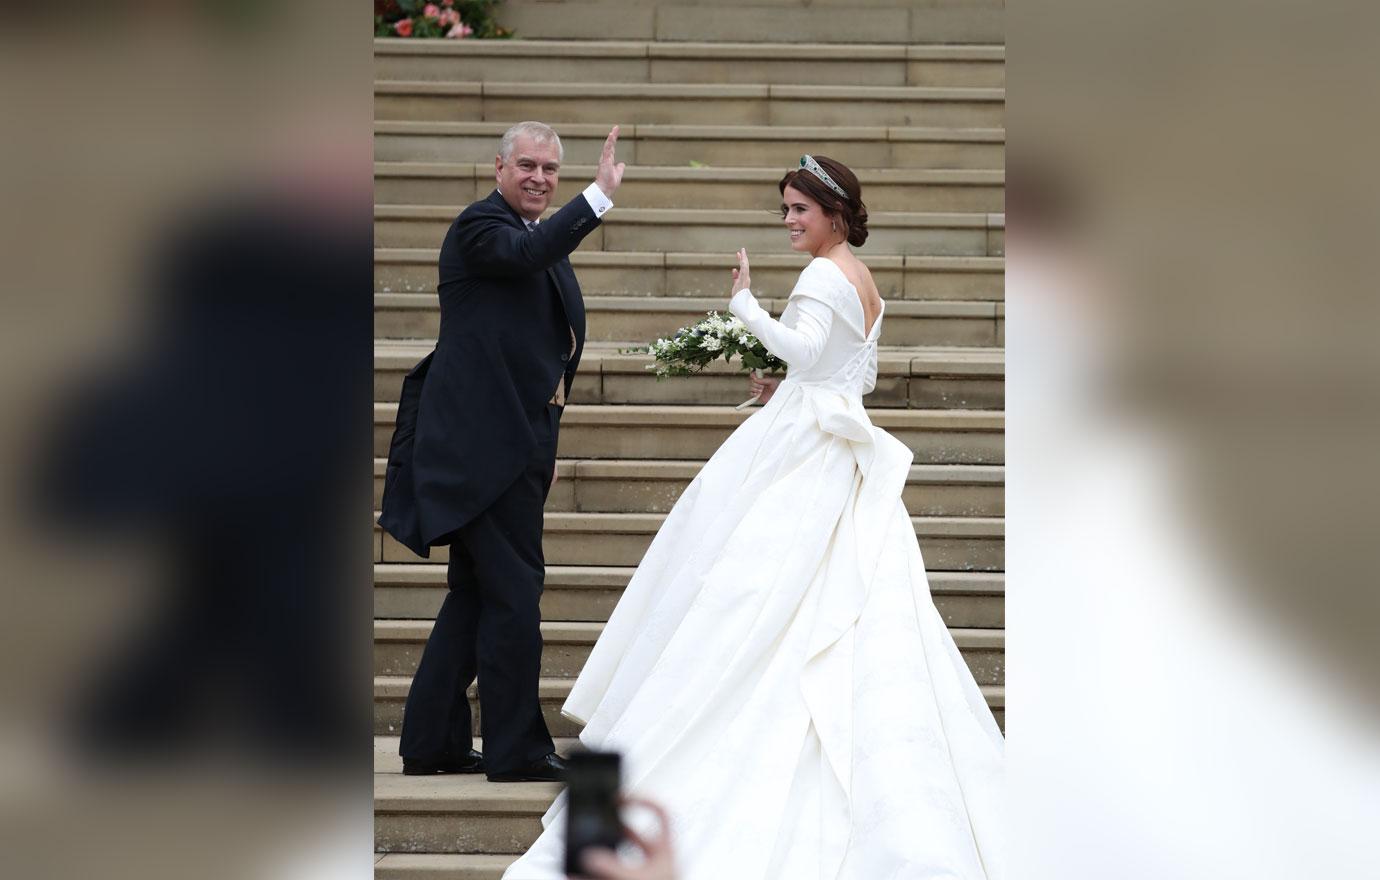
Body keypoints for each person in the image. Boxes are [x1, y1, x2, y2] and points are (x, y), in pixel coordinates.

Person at [502, 154, 1004, 879]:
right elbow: (844, 370)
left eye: (800, 209)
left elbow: (803, 351)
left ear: (835, 212)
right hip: (832, 446)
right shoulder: (862, 279)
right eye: (785, 210)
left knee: (738, 602)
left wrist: (745, 306)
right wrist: (786, 372)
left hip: (803, 454)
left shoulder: (822, 274)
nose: (790, 221)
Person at [378, 121, 626, 782]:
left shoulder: (528, 235)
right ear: (498, 166)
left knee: (477, 597)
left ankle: (430, 742)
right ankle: (516, 751)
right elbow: (526, 256)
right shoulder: (480, 228)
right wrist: (596, 197)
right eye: (527, 165)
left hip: (517, 442)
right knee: (515, 595)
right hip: (478, 451)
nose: (540, 178)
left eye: (551, 168)